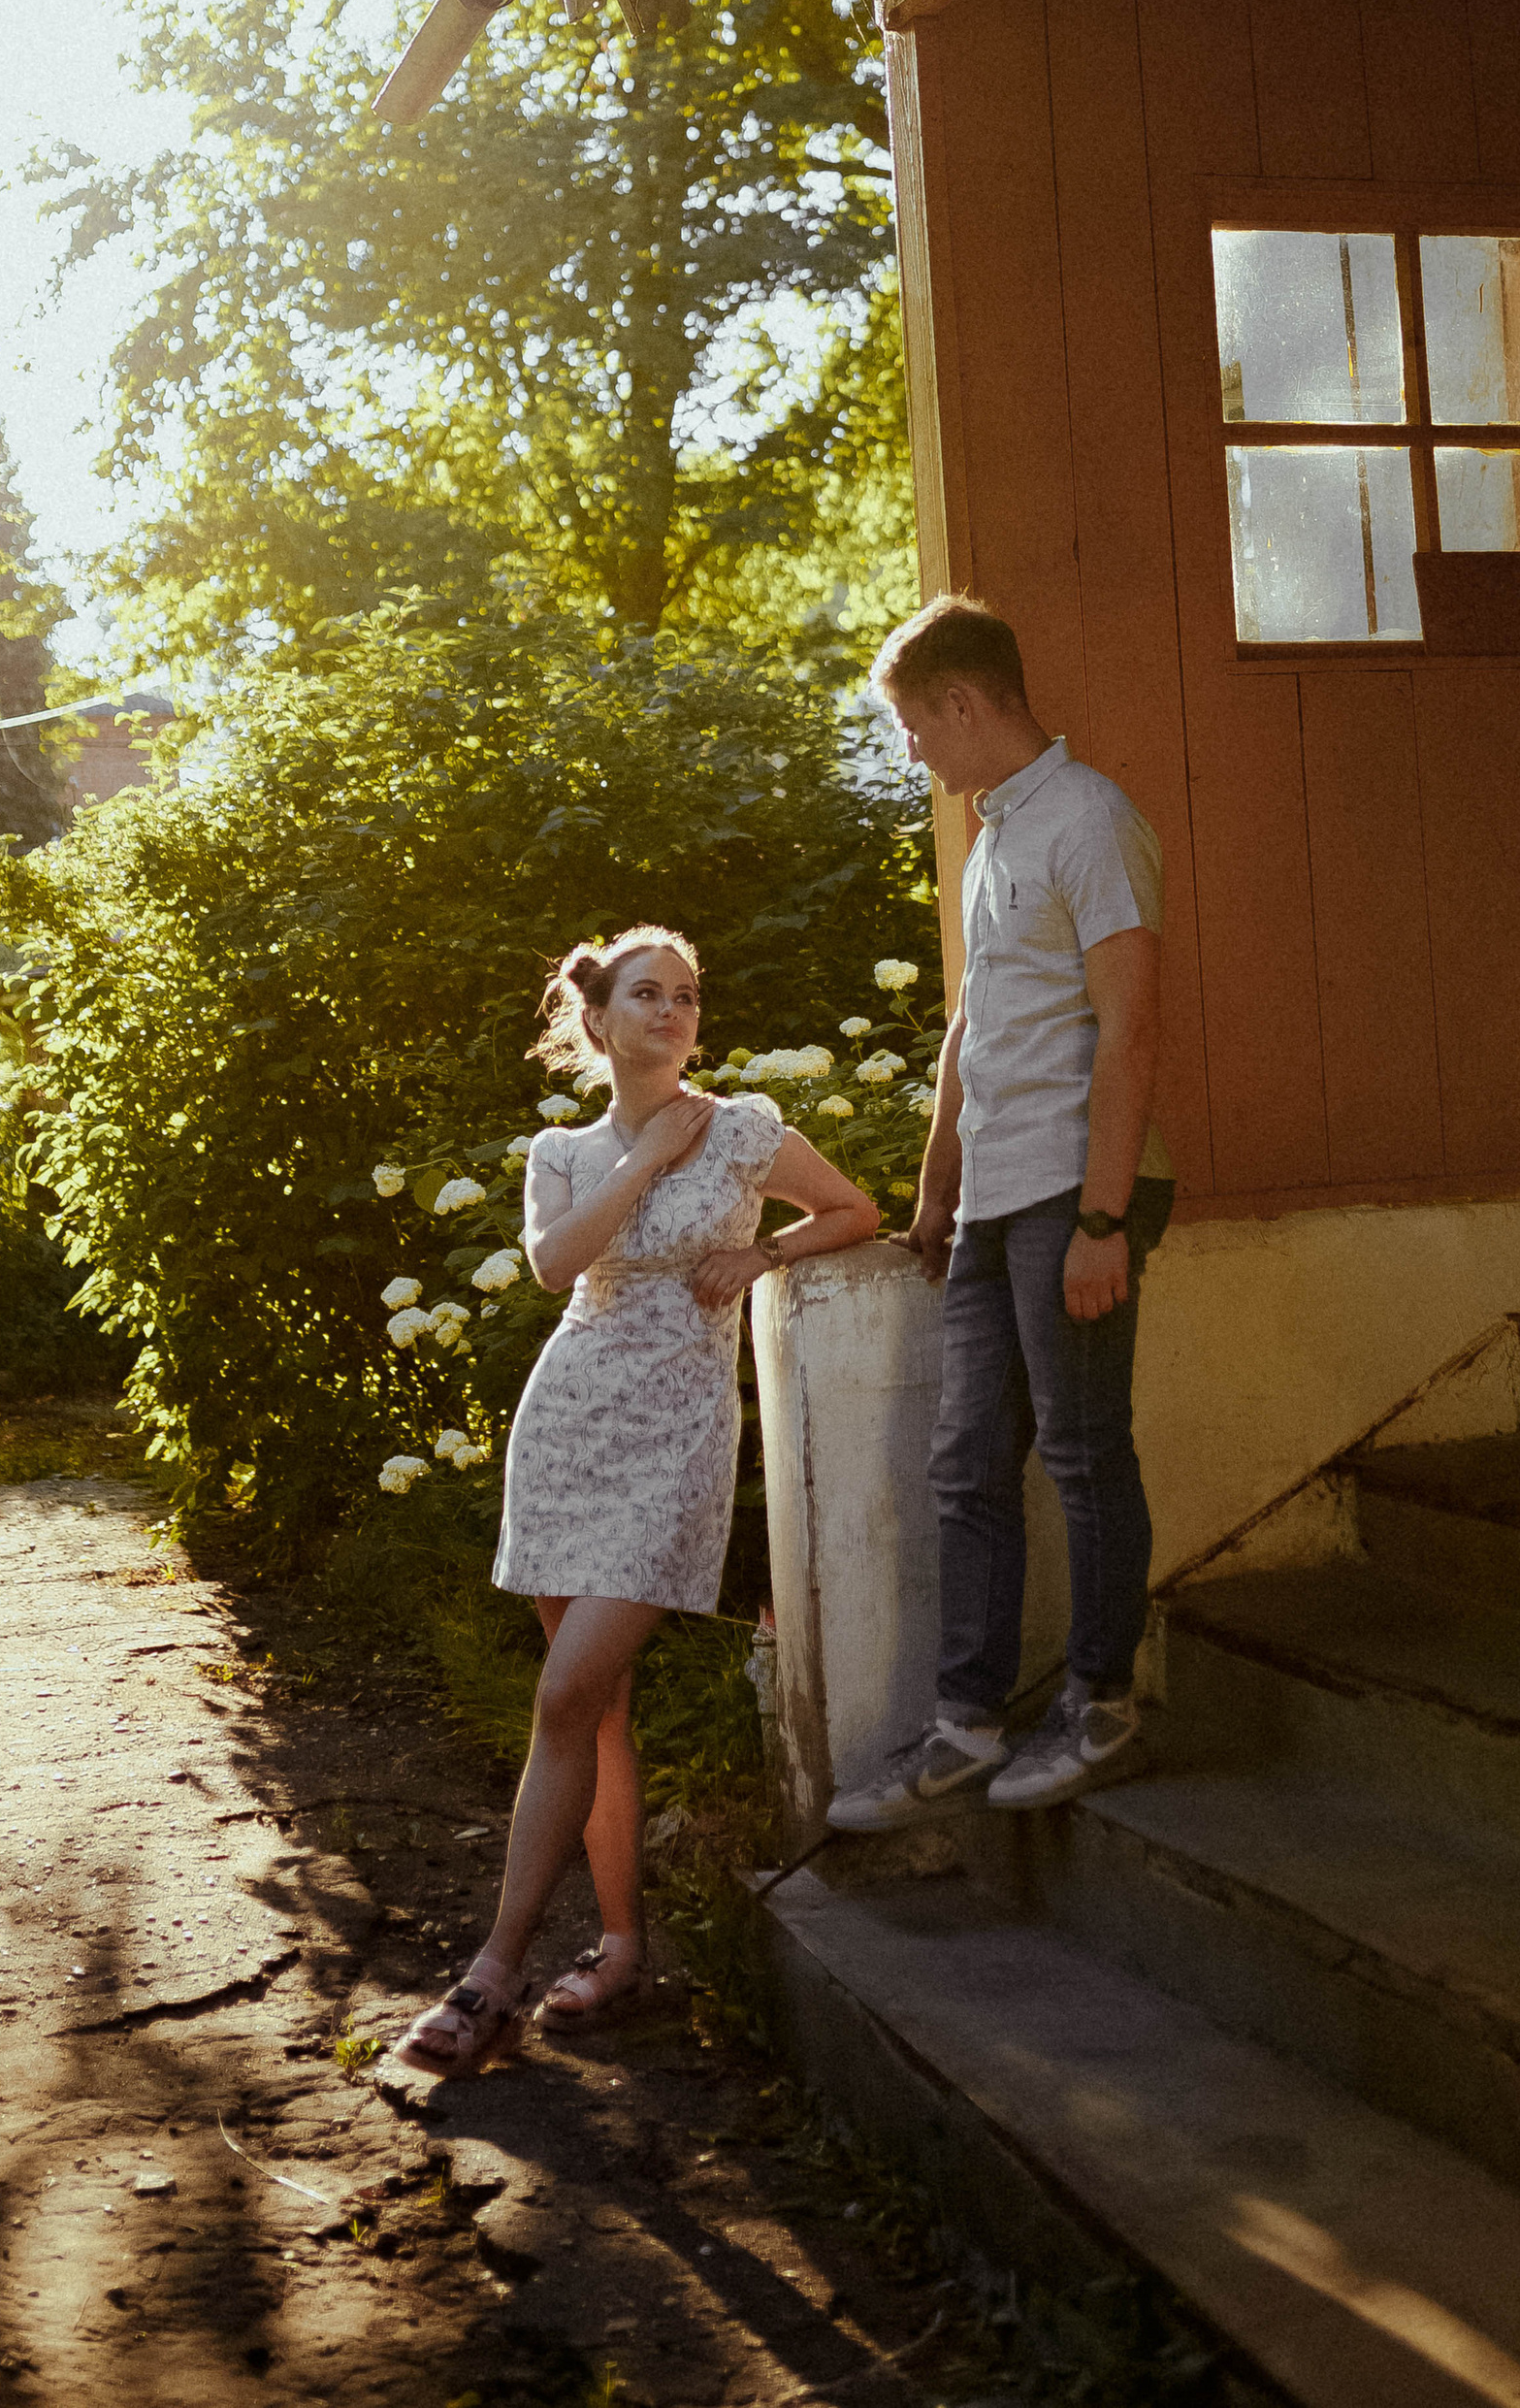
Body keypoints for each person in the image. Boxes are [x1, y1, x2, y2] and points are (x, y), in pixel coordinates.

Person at [394, 926, 879, 2075]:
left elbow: (853, 1211)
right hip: (567, 1423)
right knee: (593, 1708)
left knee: (566, 1693)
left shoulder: (750, 1128)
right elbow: (557, 1263)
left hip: (675, 1432)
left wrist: (763, 1257)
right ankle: (620, 1946)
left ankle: (492, 1973)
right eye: (646, 994)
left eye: (687, 995)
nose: (671, 1011)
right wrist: (649, 1156)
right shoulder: (560, 1149)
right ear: (599, 1020)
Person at [830, 595, 1170, 1831]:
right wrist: (933, 1189)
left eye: (916, 726)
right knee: (966, 1460)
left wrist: (1103, 1217)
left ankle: (1102, 1706)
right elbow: (974, 1027)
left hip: (1078, 1191)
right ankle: (967, 1725)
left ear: (964, 703)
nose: (911, 749)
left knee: (1081, 1452)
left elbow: (1131, 1027)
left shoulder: (1091, 819)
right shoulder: (990, 837)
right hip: (993, 1196)